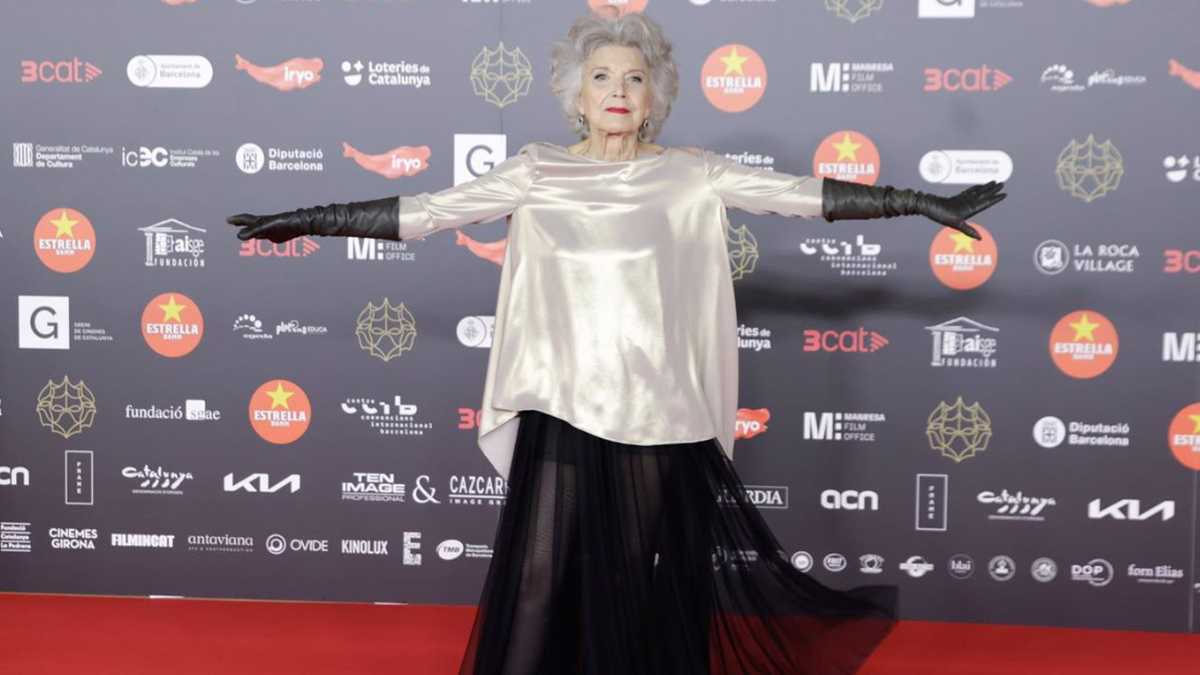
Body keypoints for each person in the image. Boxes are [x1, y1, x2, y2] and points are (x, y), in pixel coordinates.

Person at [227, 9, 1005, 675]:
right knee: (536, 577)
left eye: (635, 79)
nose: (619, 92)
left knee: (631, 581)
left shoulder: (692, 173)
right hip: (561, 405)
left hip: (659, 413)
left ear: (656, 95)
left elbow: (801, 197)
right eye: (602, 77)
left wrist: (914, 201)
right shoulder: (536, 172)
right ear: (576, 93)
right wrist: (313, 217)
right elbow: (428, 211)